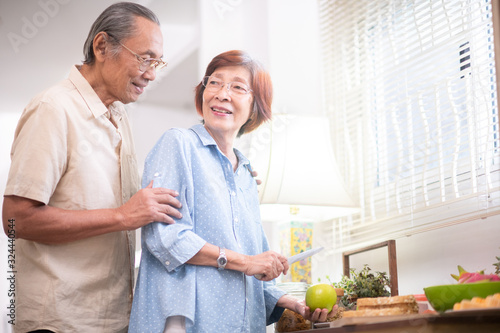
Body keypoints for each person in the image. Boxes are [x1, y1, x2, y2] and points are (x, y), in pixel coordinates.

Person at [1, 2, 183, 332]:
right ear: (102, 46)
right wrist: (123, 216)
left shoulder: (119, 115)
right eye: (145, 58)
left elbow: (134, 207)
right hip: (60, 322)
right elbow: (15, 220)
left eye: (157, 63)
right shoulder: (53, 109)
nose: (152, 74)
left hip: (114, 319)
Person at [129, 50, 338, 333]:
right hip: (183, 323)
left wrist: (294, 304)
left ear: (255, 107)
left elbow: (251, 273)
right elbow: (166, 239)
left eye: (238, 87)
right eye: (214, 83)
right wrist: (249, 262)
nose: (222, 94)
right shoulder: (178, 144)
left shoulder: (246, 175)